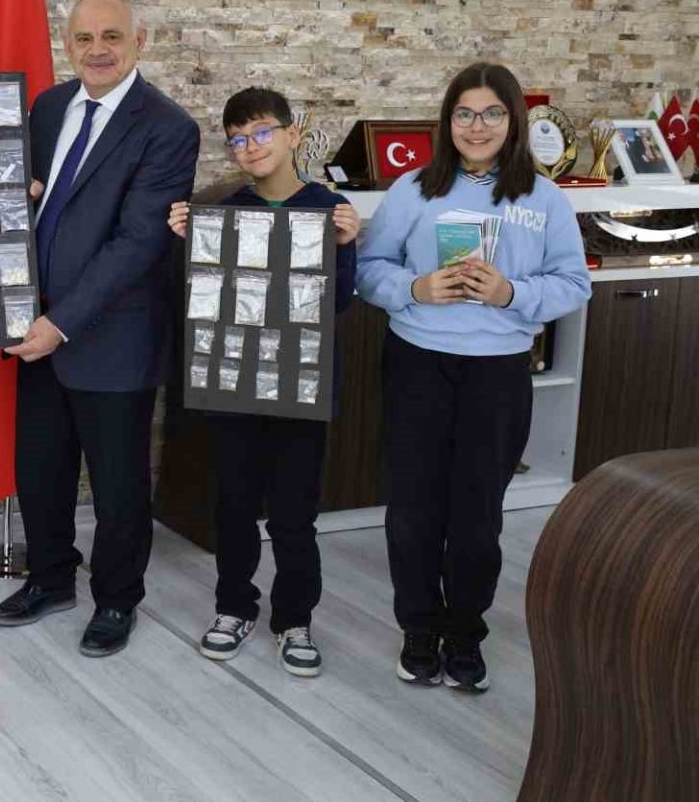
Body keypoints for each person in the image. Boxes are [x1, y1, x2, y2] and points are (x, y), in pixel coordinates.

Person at [357, 61, 590, 692]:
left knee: (477, 513)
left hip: (498, 372)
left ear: (513, 120)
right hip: (418, 364)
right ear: (448, 120)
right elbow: (369, 268)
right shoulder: (414, 189)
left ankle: (464, 633)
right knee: (413, 508)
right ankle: (418, 629)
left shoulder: (543, 198)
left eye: (491, 113)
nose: (477, 126)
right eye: (464, 113)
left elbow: (574, 283)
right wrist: (415, 288)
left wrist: (512, 292)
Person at [0, 0, 198, 658]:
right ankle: (50, 578)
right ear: (67, 44)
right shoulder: (48, 107)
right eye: (84, 38)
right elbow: (25, 200)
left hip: (111, 335)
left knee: (117, 486)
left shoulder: (168, 127)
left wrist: (61, 323)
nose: (97, 50)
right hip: (35, 327)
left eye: (112, 36)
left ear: (141, 41)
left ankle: (115, 599)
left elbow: (138, 243)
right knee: (41, 469)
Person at [166, 88, 360, 677]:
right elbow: (200, 301)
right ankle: (234, 608)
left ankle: (294, 618)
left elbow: (340, 302)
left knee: (294, 514)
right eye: (238, 140)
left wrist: (346, 245)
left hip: (300, 386)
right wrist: (186, 244)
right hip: (237, 385)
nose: (250, 147)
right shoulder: (223, 210)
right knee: (234, 505)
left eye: (261, 132)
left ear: (293, 133)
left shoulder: (329, 209)